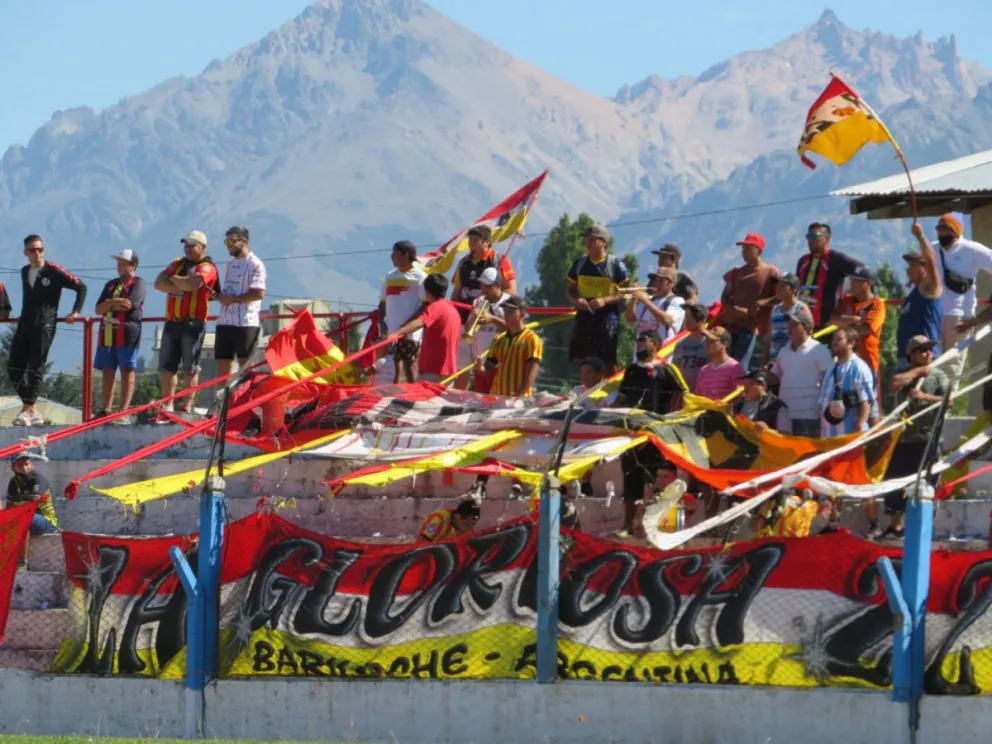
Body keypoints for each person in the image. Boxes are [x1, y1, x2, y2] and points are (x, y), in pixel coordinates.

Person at [866, 336, 949, 541]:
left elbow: (949, 400)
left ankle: (924, 529)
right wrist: (918, 372)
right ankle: (897, 527)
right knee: (893, 482)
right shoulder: (903, 373)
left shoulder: (939, 374)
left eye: (929, 349)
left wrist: (924, 397)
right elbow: (894, 384)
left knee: (929, 483)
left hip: (929, 439)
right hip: (904, 440)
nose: (927, 353)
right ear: (911, 354)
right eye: (921, 350)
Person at [614, 331, 688, 537]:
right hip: (634, 433)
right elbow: (622, 399)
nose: (638, 345)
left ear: (655, 344)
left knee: (662, 479)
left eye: (643, 341)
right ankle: (628, 525)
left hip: (658, 433)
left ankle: (663, 524)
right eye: (637, 341)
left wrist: (671, 420)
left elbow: (683, 395)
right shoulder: (630, 371)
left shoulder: (667, 370)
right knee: (631, 478)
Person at [8, 235, 87, 426]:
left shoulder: (54, 271)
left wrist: (75, 312)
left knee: (36, 366)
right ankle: (31, 408)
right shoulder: (25, 271)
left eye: (40, 249)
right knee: (13, 367)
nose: (37, 253)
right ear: (25, 253)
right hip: (25, 323)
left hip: (45, 324)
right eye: (32, 250)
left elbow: (81, 287)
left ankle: (27, 409)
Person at [154, 231, 219, 420]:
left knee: (190, 367)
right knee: (167, 367)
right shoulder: (178, 263)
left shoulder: (207, 266)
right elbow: (158, 283)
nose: (188, 249)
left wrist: (174, 279)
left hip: (193, 323)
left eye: (192, 245)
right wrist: (179, 283)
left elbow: (193, 285)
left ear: (202, 247)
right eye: (186, 245)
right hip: (171, 321)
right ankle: (167, 405)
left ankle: (186, 406)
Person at [931, 212, 992, 386]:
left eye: (946, 229)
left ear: (956, 231)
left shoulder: (972, 249)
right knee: (931, 365)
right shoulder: (932, 249)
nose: (941, 233)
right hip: (934, 314)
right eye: (939, 229)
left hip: (959, 316)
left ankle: (945, 409)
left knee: (951, 365)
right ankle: (931, 407)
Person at [566, 223, 629, 376]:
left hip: (607, 317)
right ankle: (588, 392)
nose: (588, 243)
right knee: (583, 358)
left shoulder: (615, 265)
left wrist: (605, 301)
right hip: (584, 316)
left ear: (604, 243)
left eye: (593, 239)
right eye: (587, 239)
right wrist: (576, 301)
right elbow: (569, 290)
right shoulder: (579, 264)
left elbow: (625, 293)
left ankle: (611, 393)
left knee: (607, 360)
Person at [93, 249, 145, 421]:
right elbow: (98, 309)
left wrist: (109, 304)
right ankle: (105, 409)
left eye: (124, 264)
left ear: (133, 265)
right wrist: (114, 302)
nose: (120, 267)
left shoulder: (138, 283)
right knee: (108, 370)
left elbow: (130, 305)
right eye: (118, 263)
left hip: (128, 331)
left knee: (127, 369)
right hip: (107, 331)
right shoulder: (110, 284)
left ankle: (123, 411)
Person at [767, 305, 833, 437]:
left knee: (807, 455)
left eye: (794, 325)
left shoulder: (820, 350)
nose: (789, 329)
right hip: (784, 415)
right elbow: (775, 377)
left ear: (806, 328)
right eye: (789, 325)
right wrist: (764, 374)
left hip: (809, 415)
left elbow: (829, 382)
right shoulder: (783, 351)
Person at [719, 232, 779, 369]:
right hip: (730, 326)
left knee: (741, 365)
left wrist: (760, 303)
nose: (744, 253)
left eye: (748, 249)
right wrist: (733, 309)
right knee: (725, 363)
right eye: (743, 249)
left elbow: (779, 297)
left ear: (759, 250)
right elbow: (725, 297)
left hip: (753, 328)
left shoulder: (771, 272)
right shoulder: (735, 272)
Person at [214, 226, 267, 380]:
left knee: (245, 365)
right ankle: (223, 401)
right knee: (223, 364)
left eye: (232, 241)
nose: (228, 245)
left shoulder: (256, 264)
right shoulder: (230, 264)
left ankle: (245, 400)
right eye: (226, 241)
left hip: (245, 322)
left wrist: (233, 299)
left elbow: (259, 293)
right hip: (225, 321)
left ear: (243, 241)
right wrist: (220, 296)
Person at [393, 273, 461, 383]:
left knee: (421, 399)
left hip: (433, 371)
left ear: (427, 292)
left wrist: (397, 333)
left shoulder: (435, 307)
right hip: (449, 371)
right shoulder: (454, 311)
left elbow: (419, 323)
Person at [796, 222, 864, 331]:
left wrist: (857, 298)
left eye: (814, 236)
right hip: (802, 323)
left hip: (828, 324)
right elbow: (796, 288)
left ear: (827, 239)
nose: (810, 240)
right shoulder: (803, 261)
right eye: (808, 237)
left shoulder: (837, 259)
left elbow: (864, 271)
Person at [377, 240, 427, 384]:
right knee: (394, 367)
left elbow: (424, 305)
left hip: (410, 332)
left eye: (395, 254)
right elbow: (382, 302)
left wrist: (409, 325)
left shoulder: (420, 277)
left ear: (406, 256)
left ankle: (413, 397)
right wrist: (382, 323)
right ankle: (395, 397)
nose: (392, 257)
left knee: (410, 366)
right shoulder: (390, 276)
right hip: (392, 330)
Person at [832, 265, 886, 394]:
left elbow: (866, 329)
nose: (852, 283)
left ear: (868, 284)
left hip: (867, 361)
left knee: (868, 404)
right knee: (843, 403)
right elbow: (833, 318)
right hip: (844, 361)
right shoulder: (847, 300)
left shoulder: (876, 304)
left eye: (857, 280)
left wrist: (844, 325)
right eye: (852, 279)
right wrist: (854, 319)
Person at [897, 223, 943, 368]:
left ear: (924, 269)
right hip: (907, 357)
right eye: (908, 266)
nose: (908, 269)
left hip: (923, 357)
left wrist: (921, 237)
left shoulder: (929, 288)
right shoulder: (913, 294)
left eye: (913, 265)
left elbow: (931, 261)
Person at [818, 327, 875, 438]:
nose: (834, 342)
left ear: (851, 343)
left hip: (849, 437)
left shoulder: (858, 367)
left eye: (839, 339)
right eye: (834, 339)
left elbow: (866, 401)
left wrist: (859, 427)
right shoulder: (831, 368)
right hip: (829, 437)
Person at [458, 267, 509, 391]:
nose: (483, 289)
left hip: (499, 363)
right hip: (480, 361)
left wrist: (492, 319)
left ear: (498, 285)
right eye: (482, 285)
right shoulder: (478, 301)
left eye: (488, 286)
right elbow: (469, 329)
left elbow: (513, 329)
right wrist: (473, 320)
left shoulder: (508, 302)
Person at [3, 455, 59, 567]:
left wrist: (17, 501)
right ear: (13, 467)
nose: (24, 468)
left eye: (26, 464)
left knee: (23, 517)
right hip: (25, 518)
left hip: (47, 521)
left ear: (31, 464)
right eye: (20, 465)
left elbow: (33, 501)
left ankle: (23, 563)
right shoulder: (14, 482)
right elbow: (10, 504)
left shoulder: (37, 479)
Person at [451, 224, 516, 318]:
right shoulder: (463, 263)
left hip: (491, 317)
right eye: (470, 239)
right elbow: (456, 291)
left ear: (487, 242)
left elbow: (511, 290)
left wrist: (493, 303)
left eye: (476, 239)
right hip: (464, 317)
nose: (471, 242)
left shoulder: (500, 260)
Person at [484, 296, 542, 397]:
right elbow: (488, 369)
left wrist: (519, 396)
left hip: (517, 400)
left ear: (522, 315)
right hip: (496, 397)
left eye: (511, 312)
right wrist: (479, 366)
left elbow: (532, 372)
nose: (506, 315)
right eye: (505, 311)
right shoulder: (499, 338)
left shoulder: (531, 339)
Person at [625, 267, 684, 354]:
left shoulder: (677, 301)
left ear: (671, 284)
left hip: (661, 355)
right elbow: (630, 319)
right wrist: (633, 300)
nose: (656, 284)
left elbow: (667, 320)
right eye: (656, 280)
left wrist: (645, 300)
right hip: (639, 356)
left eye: (661, 281)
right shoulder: (650, 300)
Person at [764, 273, 809, 365]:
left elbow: (808, 337)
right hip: (774, 361)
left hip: (793, 362)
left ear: (794, 289)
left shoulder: (801, 308)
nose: (778, 288)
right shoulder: (775, 309)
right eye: (778, 285)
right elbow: (769, 337)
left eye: (783, 285)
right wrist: (764, 361)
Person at [694, 326, 745, 401]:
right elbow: (697, 397)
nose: (707, 344)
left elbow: (740, 395)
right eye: (707, 341)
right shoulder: (704, 370)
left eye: (712, 341)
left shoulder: (734, 368)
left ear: (724, 344)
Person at [670, 303, 710, 393]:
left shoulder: (710, 343)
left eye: (689, 317)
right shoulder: (680, 344)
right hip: (684, 394)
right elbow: (675, 369)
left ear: (701, 320)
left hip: (703, 395)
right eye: (685, 317)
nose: (685, 321)